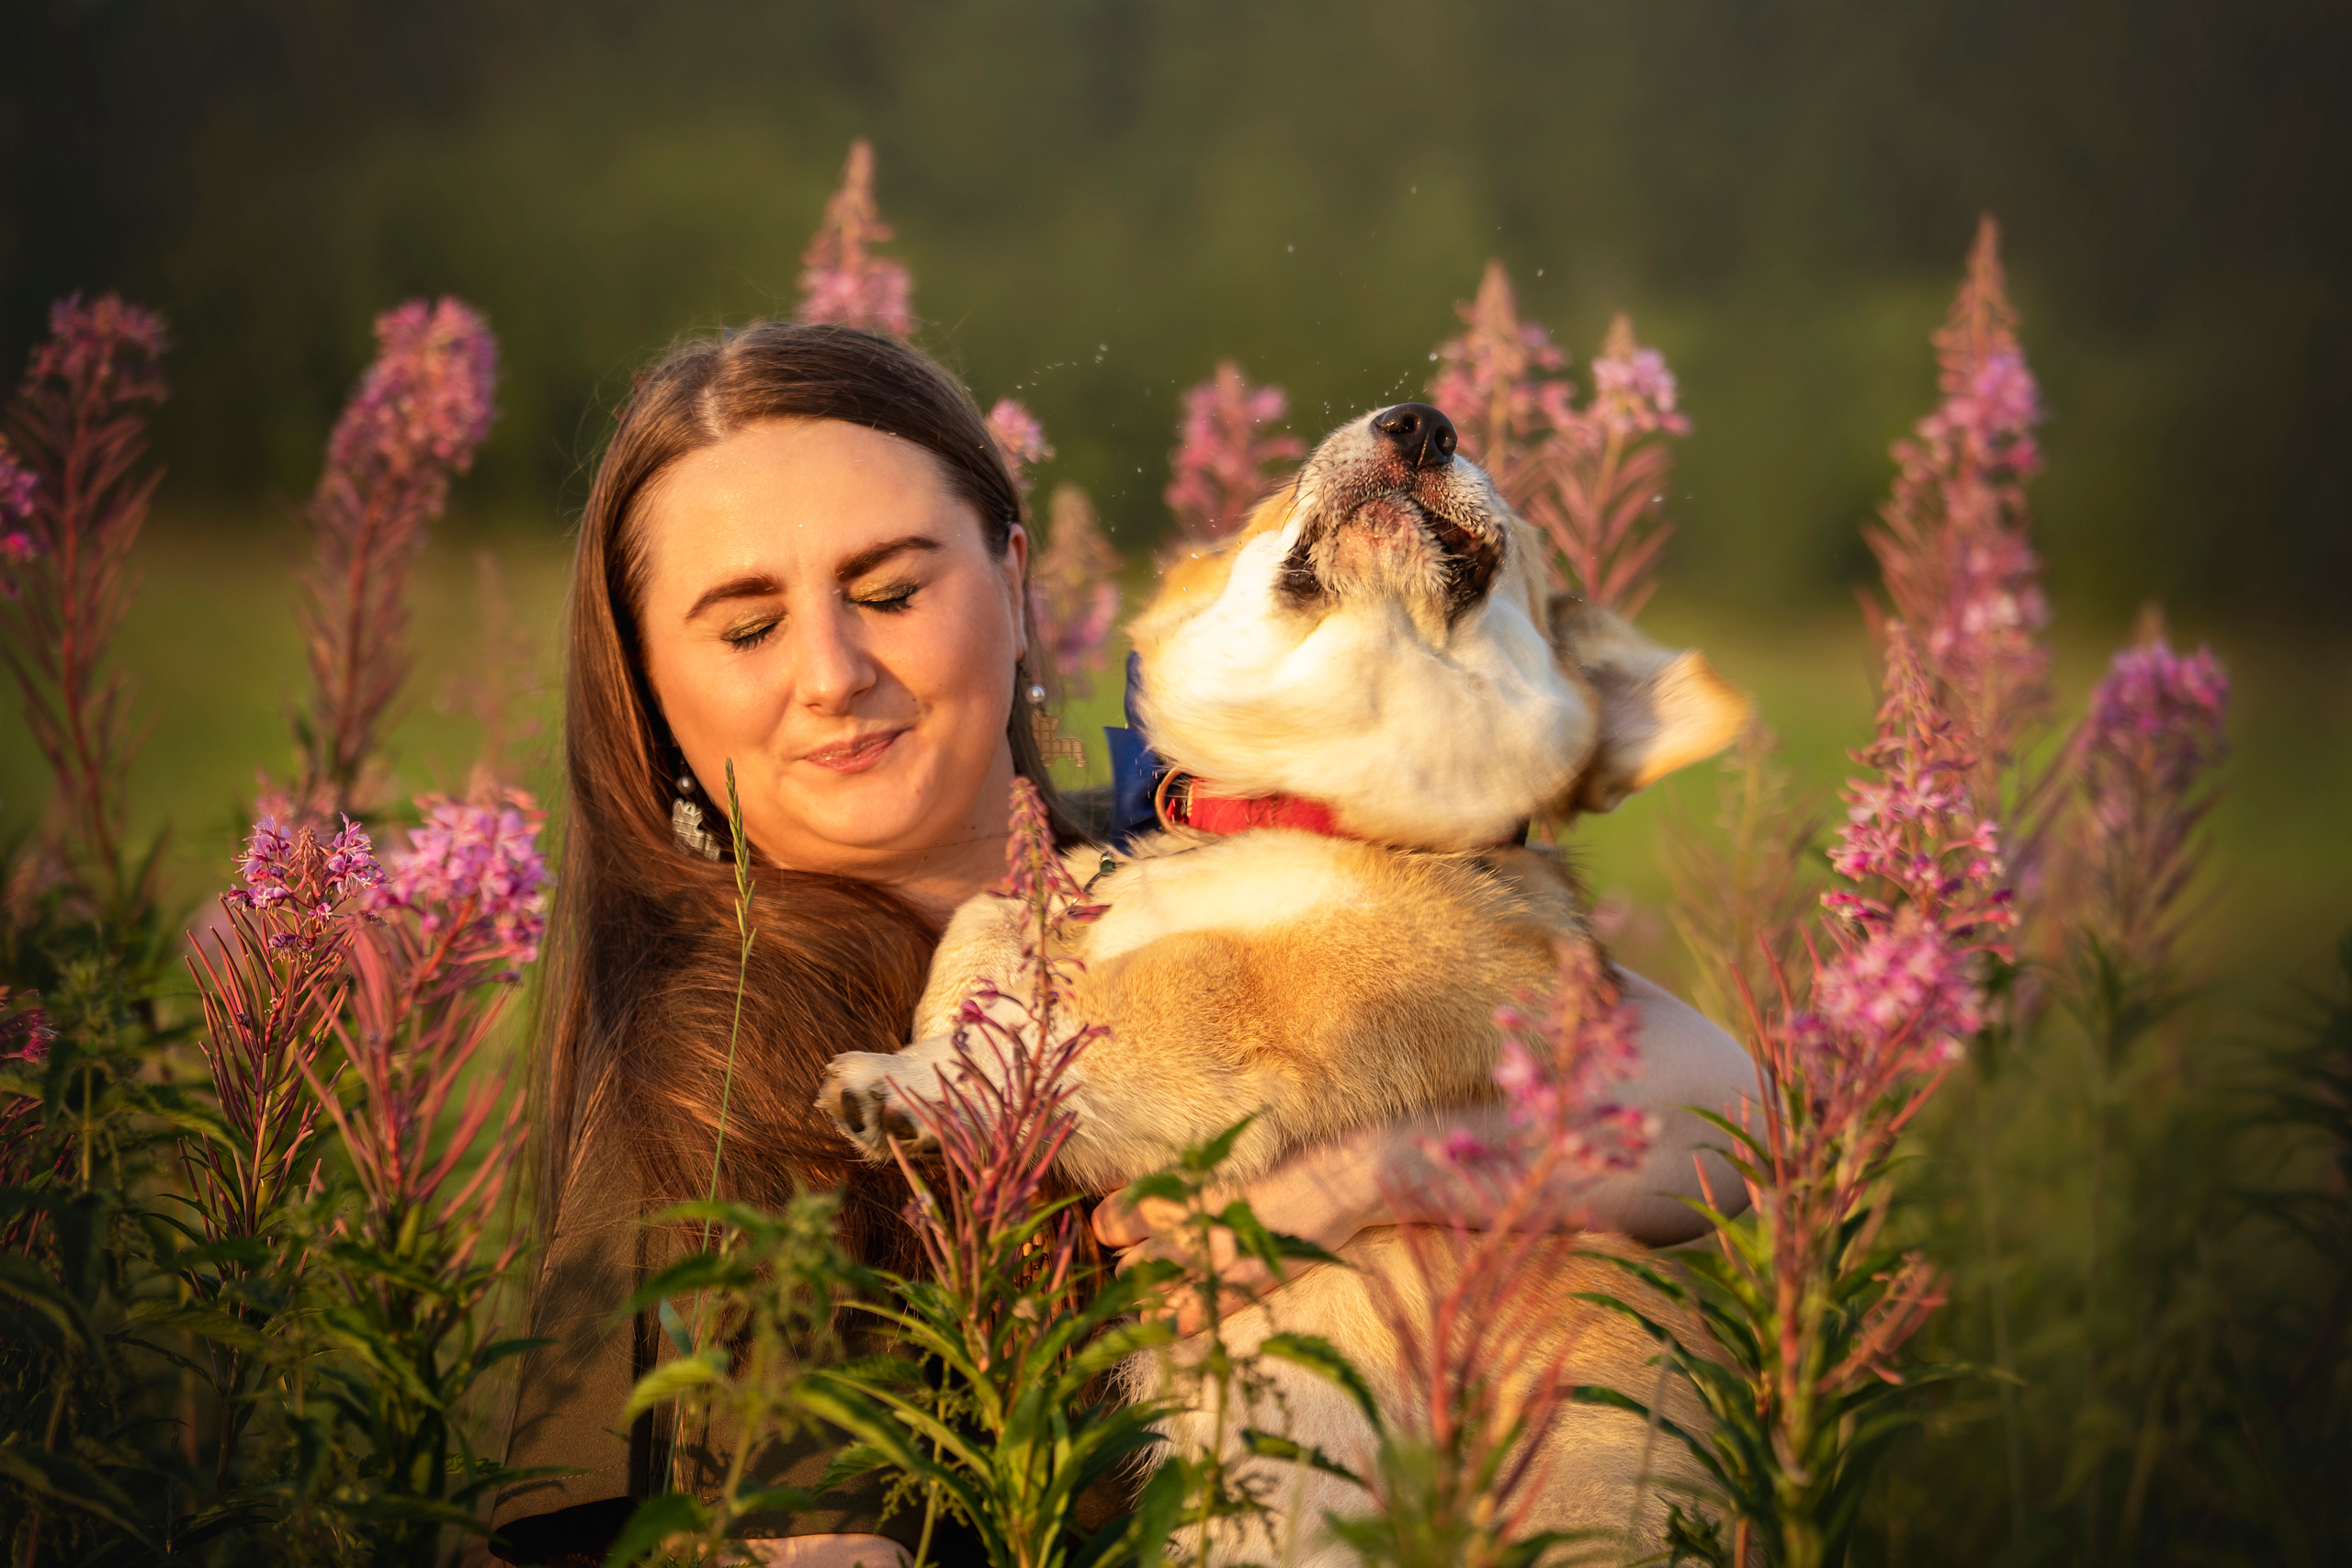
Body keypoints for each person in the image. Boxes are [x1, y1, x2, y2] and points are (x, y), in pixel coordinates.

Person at [490, 321, 1752, 1568]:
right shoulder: (713, 1089)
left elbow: (1730, 1114)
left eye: (889, 591)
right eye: (747, 628)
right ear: (652, 690)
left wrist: (1372, 1177)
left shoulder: (1198, 861)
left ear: (1017, 584)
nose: (830, 674)